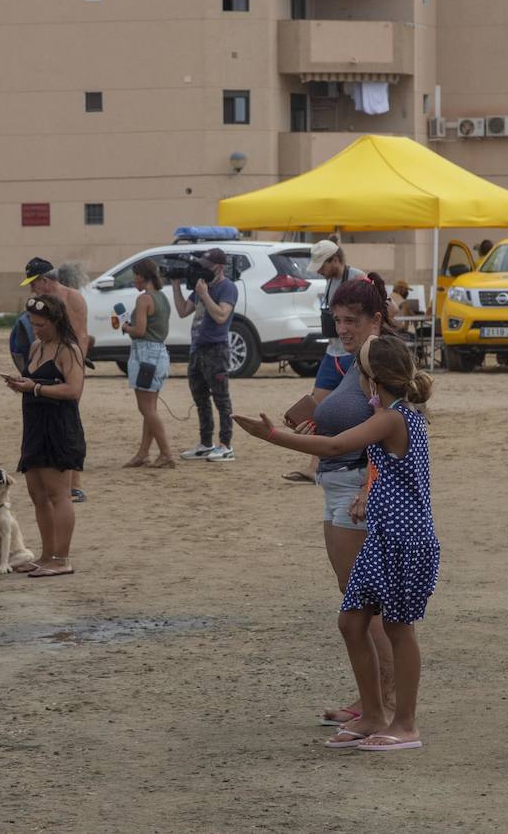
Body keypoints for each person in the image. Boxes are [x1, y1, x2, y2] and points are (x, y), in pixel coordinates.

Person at [233, 334, 438, 751]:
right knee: (351, 622)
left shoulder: (396, 416)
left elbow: (336, 446)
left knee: (399, 628)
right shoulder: (391, 412)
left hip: (404, 538)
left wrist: (270, 435)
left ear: (371, 379)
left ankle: (406, 725)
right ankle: (374, 714)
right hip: (385, 534)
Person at [293, 276, 399, 728]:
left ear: (376, 319)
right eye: (337, 321)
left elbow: (395, 432)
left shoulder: (382, 363)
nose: (343, 329)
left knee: (366, 605)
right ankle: (371, 699)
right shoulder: (346, 360)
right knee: (355, 599)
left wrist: (368, 488)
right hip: (337, 483)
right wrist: (309, 426)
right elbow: (324, 411)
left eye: (352, 321)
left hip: (356, 484)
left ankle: (385, 704)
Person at [4, 295, 86, 577]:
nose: (35, 328)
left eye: (40, 324)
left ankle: (62, 559)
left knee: (59, 494)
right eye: (32, 323)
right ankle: (46, 554)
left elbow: (74, 391)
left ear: (55, 321)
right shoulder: (37, 346)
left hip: (58, 427)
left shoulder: (69, 350)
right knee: (37, 494)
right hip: (34, 426)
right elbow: (34, 381)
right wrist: (21, 385)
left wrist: (35, 389)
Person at [283, 238, 364, 485]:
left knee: (359, 408)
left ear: (335, 260)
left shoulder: (358, 278)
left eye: (322, 265)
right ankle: (314, 465)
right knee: (316, 407)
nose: (318, 270)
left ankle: (354, 462)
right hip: (332, 352)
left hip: (352, 353)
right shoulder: (330, 282)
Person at [23, 257, 92, 502]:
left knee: (70, 423)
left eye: (34, 283)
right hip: (45, 364)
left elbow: (82, 337)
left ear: (45, 280)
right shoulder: (39, 304)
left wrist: (76, 370)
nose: (32, 289)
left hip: (68, 365)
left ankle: (75, 483)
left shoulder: (73, 298)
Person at [172, 248, 238, 462]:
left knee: (221, 399)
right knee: (200, 398)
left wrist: (204, 294)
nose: (203, 270)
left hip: (216, 349)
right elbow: (183, 310)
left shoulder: (227, 288)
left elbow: (221, 316)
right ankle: (206, 443)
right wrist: (175, 284)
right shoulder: (202, 286)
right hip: (197, 348)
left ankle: (226, 445)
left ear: (219, 268)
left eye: (207, 266)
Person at [121, 258, 174, 468]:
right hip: (159, 353)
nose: (133, 280)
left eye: (135, 276)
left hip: (145, 355)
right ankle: (143, 453)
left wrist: (126, 328)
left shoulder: (144, 300)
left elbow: (140, 331)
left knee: (146, 409)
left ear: (142, 277)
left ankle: (166, 453)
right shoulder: (163, 297)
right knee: (150, 409)